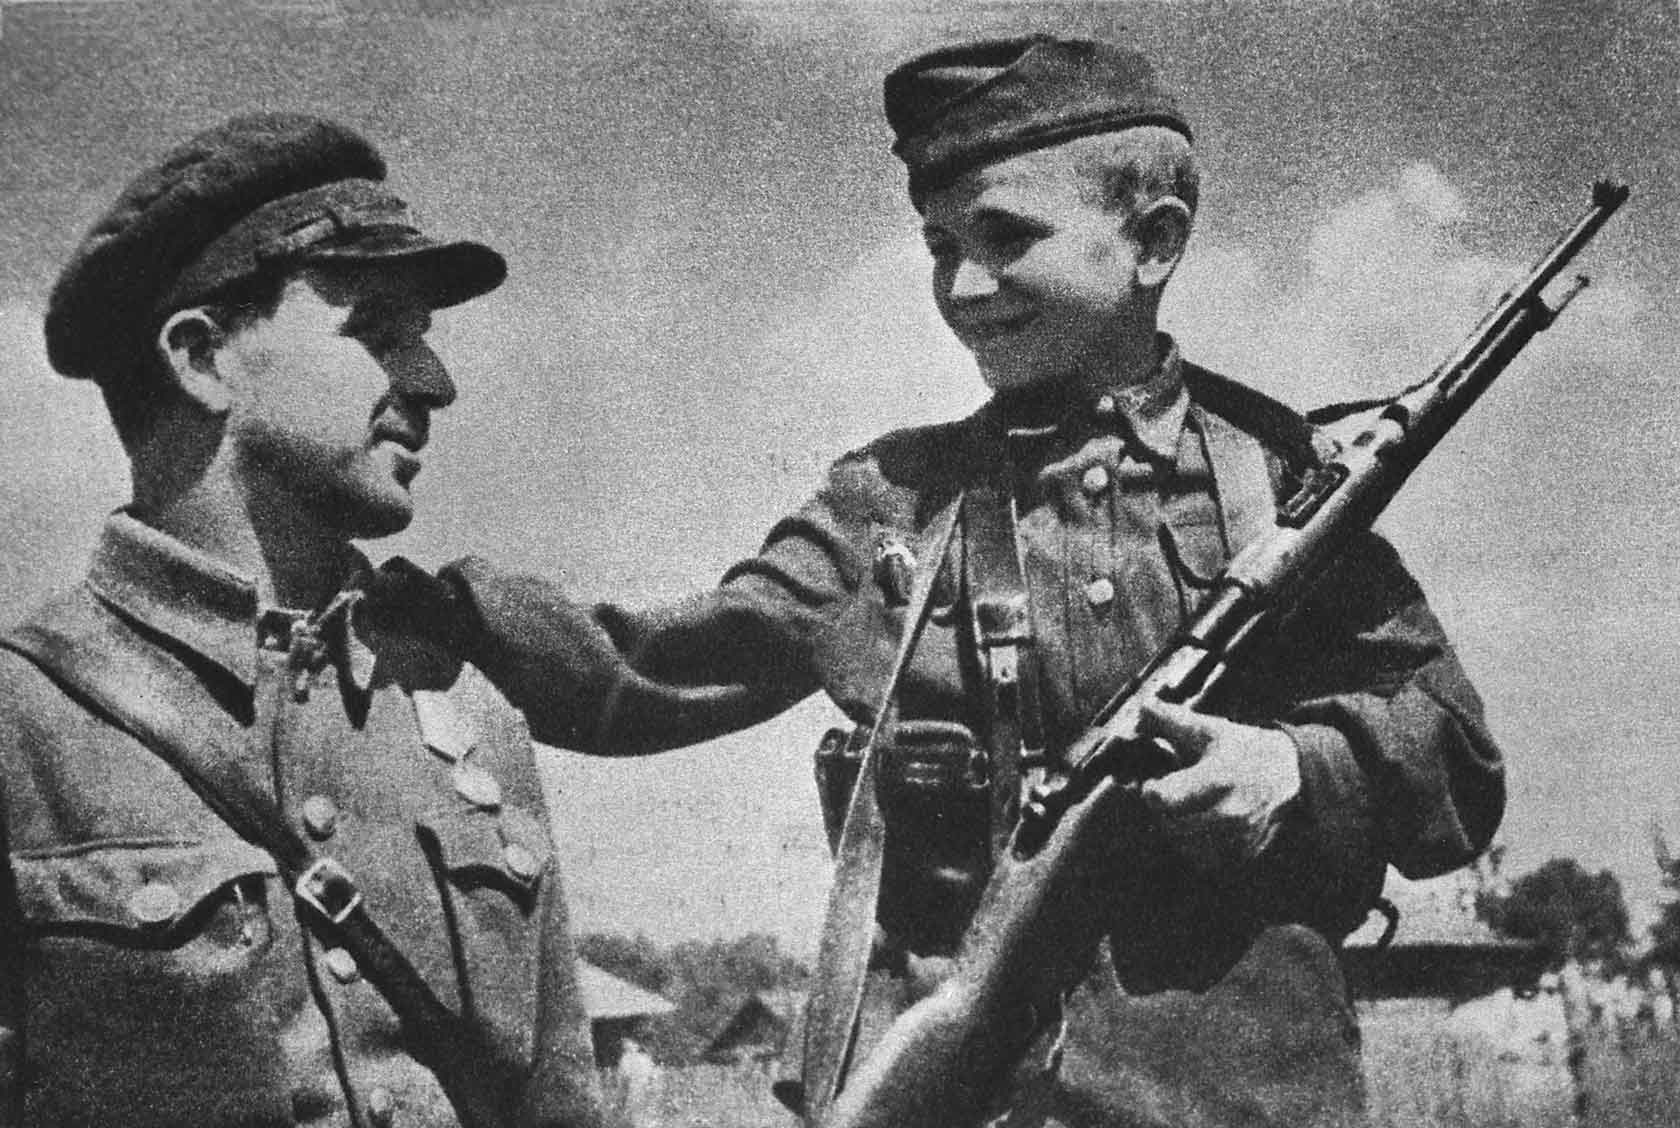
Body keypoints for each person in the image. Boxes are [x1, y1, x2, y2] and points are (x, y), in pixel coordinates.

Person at [378, 35, 1505, 1127]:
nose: (964, 286)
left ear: (1155, 241)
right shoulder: (894, 506)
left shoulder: (1284, 487)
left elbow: (1455, 754)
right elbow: (648, 670)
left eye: (1006, 236)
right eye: (937, 245)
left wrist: (1293, 769)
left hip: (1242, 1100)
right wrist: (423, 615)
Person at [0, 114, 604, 1128]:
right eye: (377, 331)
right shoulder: (23, 722)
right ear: (203, 359)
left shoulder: (464, 711)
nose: (435, 381)